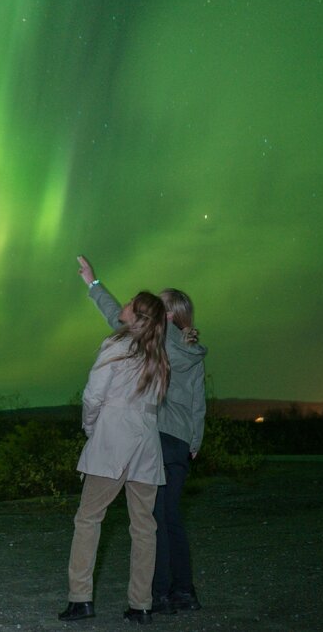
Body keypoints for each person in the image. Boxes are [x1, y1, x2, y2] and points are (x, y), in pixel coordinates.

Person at [77, 256, 207, 614]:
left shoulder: (156, 344)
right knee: (167, 518)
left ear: (165, 316)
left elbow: (117, 318)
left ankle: (159, 594)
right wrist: (194, 440)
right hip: (179, 440)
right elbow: (198, 400)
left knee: (149, 520)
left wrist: (93, 285)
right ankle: (183, 591)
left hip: (150, 433)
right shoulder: (191, 350)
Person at [59, 287, 169, 625]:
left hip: (113, 440)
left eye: (128, 304)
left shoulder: (116, 347)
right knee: (144, 528)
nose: (122, 306)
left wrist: (91, 429)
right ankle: (142, 605)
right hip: (147, 446)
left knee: (88, 519)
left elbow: (93, 396)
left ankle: (81, 599)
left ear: (136, 317)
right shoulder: (157, 355)